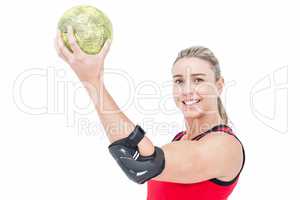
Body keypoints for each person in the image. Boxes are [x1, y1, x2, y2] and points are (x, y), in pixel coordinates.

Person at [54, 26, 245, 200]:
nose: (187, 90)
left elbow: (143, 164)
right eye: (179, 81)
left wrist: (92, 81)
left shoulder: (225, 146)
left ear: (219, 86)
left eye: (198, 80)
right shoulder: (180, 139)